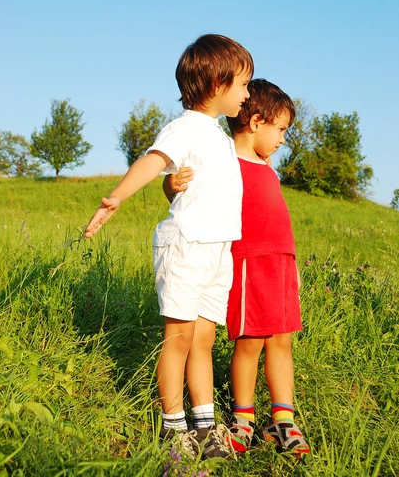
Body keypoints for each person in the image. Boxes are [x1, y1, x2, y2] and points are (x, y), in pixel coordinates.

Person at [85, 34, 254, 460]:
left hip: (218, 250)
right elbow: (155, 160)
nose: (247, 94)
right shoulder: (184, 127)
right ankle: (173, 427)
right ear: (217, 84)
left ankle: (204, 425)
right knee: (178, 337)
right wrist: (118, 196)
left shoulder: (218, 136)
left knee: (203, 339)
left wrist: (172, 186)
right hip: (187, 246)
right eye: (243, 85)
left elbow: (199, 187)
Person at [165, 79, 310, 457]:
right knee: (249, 341)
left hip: (280, 262)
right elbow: (185, 187)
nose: (282, 139)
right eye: (280, 129)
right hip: (248, 262)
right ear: (256, 122)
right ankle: (243, 418)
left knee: (281, 340)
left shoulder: (266, 165)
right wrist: (171, 185)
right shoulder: (225, 159)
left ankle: (282, 420)